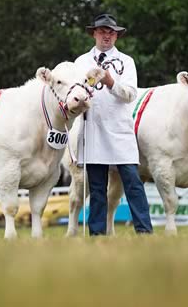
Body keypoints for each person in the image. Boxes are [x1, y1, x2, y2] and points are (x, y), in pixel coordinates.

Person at [75, 13, 153, 235]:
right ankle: (97, 234)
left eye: (111, 32)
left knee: (133, 184)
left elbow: (130, 94)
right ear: (94, 33)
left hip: (119, 130)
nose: (107, 36)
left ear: (117, 36)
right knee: (97, 189)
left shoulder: (127, 62)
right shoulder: (81, 62)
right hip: (93, 130)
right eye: (102, 31)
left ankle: (144, 231)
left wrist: (111, 82)